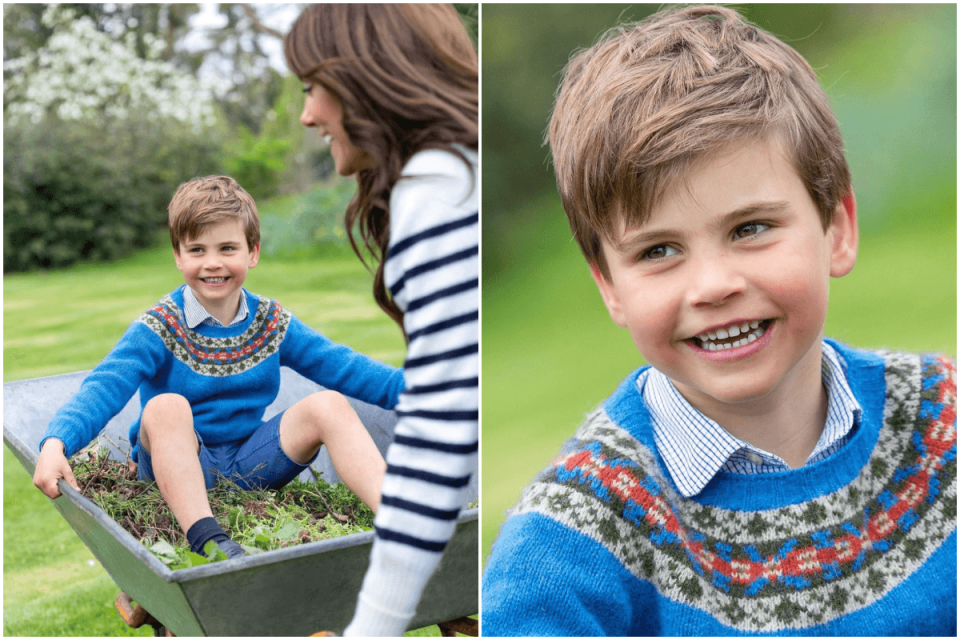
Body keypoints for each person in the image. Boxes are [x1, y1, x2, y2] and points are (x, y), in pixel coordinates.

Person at [482, 5, 956, 636]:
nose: (712, 286)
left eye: (751, 228)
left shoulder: (942, 423)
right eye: (657, 251)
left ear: (837, 228)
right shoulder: (568, 549)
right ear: (609, 285)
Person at [33, 175, 404, 560]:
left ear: (253, 252)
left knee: (328, 404)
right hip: (175, 465)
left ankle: (399, 521)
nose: (213, 263)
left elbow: (343, 366)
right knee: (165, 407)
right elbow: (105, 385)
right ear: (178, 255)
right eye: (197, 250)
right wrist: (57, 442)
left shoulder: (270, 321)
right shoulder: (160, 325)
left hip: (250, 462)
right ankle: (209, 540)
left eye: (228, 248)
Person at [284, 4, 478, 636]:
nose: (309, 113)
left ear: (364, 79)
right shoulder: (459, 171)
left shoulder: (435, 193)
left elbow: (442, 436)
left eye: (314, 88)